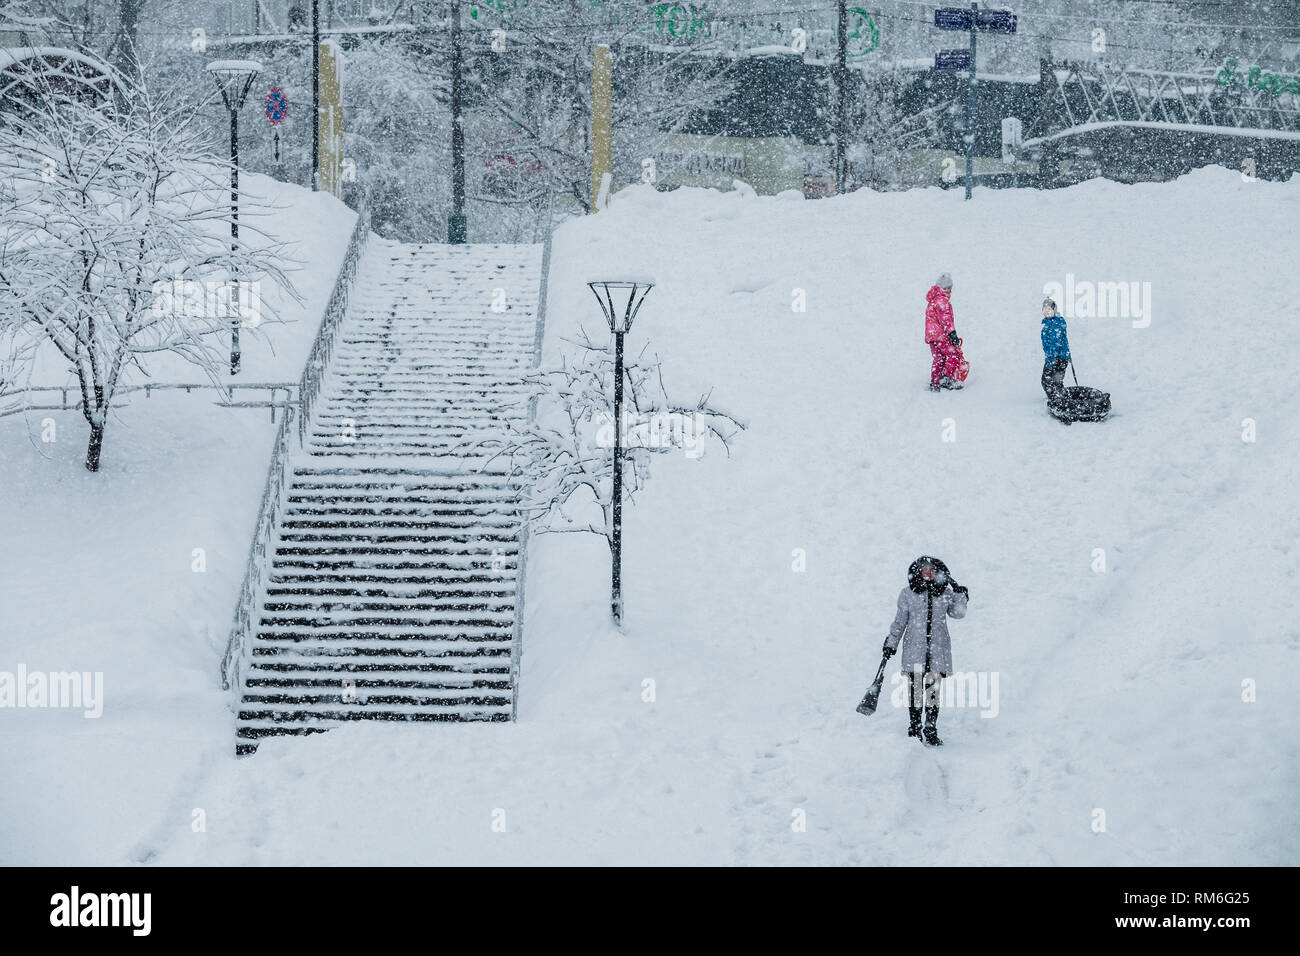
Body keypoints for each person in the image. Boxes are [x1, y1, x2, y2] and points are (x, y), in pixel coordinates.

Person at [881, 556, 969, 746]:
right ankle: (914, 729)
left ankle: (930, 729)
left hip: (938, 651)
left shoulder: (944, 592)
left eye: (932, 570)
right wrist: (891, 643)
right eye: (925, 570)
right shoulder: (907, 594)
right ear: (918, 572)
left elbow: (958, 613)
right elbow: (900, 622)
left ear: (938, 573)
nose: (928, 573)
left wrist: (960, 594)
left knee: (932, 693)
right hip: (915, 650)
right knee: (915, 692)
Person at [925, 274, 963, 392]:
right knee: (953, 355)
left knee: (939, 358)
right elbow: (946, 319)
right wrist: (952, 333)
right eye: (949, 287)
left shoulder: (933, 300)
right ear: (945, 288)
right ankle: (948, 379)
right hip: (941, 336)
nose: (951, 290)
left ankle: (935, 381)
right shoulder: (942, 301)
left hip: (932, 336)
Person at [1040, 298, 1071, 405]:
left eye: (1049, 309)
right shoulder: (1050, 322)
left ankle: (1056, 402)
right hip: (1060, 357)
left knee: (1047, 381)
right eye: (1044, 309)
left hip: (1056, 358)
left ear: (1054, 310)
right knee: (1056, 382)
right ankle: (1060, 400)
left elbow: (1055, 342)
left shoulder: (1055, 324)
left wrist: (1051, 359)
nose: (1047, 311)